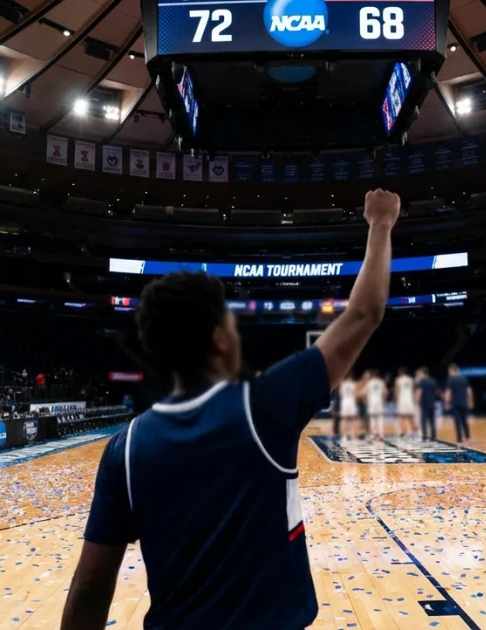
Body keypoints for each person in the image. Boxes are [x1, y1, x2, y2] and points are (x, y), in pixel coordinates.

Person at [59, 189, 399, 630]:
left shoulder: (125, 449)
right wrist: (380, 223)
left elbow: (89, 587)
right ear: (220, 337)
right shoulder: (265, 404)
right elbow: (364, 313)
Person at [443, 363, 473, 446]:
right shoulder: (464, 379)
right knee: (464, 421)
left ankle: (459, 440)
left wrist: (446, 403)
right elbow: (469, 391)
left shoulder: (450, 379)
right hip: (464, 403)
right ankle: (468, 437)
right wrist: (470, 401)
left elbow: (448, 392)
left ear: (452, 370)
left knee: (457, 421)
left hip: (456, 403)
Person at [415, 367, 438, 441]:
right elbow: (435, 392)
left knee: (424, 421)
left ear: (423, 373)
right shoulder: (433, 381)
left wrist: (417, 402)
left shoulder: (422, 381)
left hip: (424, 404)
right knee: (432, 421)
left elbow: (419, 392)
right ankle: (433, 437)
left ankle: (424, 437)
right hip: (432, 403)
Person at [394, 367, 416, 439]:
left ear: (400, 372)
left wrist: (396, 401)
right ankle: (413, 433)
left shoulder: (398, 380)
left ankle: (402, 432)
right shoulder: (411, 379)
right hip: (410, 400)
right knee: (410, 417)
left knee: (401, 417)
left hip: (402, 400)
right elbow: (413, 391)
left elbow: (397, 392)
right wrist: (414, 401)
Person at [366, 370, 387, 440]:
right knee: (380, 418)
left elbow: (367, 393)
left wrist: (368, 402)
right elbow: (384, 393)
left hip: (372, 401)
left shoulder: (369, 382)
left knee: (372, 419)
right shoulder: (381, 382)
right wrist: (383, 401)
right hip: (379, 401)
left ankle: (373, 434)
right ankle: (381, 434)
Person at [339, 373, 359, 440]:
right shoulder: (353, 384)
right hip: (352, 402)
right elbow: (356, 395)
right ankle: (353, 436)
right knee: (354, 419)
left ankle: (343, 436)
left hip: (345, 402)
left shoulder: (343, 384)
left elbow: (341, 394)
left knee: (344, 419)